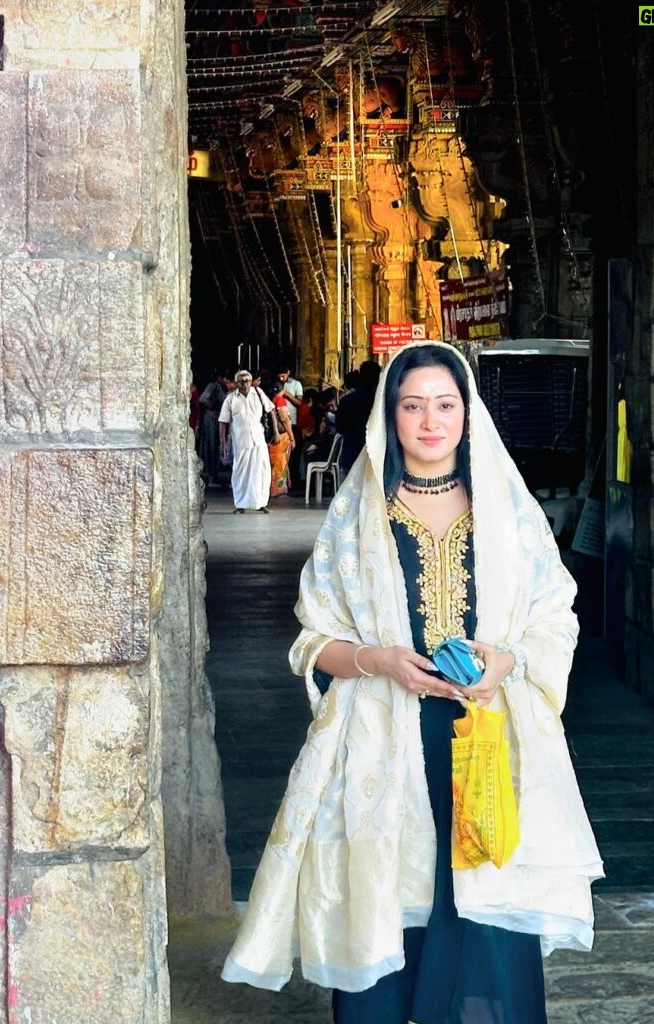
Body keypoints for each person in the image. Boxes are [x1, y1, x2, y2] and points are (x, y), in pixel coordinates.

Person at [222, 341, 603, 1022]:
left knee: (486, 924)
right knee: (385, 913)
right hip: (380, 749)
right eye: (412, 405)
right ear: (389, 417)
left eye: (445, 405)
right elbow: (314, 641)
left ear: (467, 413)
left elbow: (553, 616)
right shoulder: (355, 517)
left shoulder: (507, 515)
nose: (430, 421)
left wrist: (506, 663)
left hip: (489, 741)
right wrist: (379, 661)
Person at [218, 369, 276, 513]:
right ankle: (241, 504)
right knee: (240, 471)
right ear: (236, 383)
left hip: (258, 438)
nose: (244, 384)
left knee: (262, 470)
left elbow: (271, 411)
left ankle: (261, 503)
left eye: (247, 381)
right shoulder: (231, 398)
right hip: (240, 440)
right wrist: (223, 441)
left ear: (251, 382)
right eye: (241, 381)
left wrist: (275, 432)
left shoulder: (259, 394)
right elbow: (223, 421)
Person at [335, 358, 382, 475]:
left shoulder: (347, 400)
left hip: (351, 456)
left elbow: (339, 428)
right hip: (376, 459)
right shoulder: (382, 402)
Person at [268, 380, 296, 497]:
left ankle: (274, 488)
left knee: (276, 462)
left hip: (275, 436)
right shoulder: (280, 400)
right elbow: (285, 419)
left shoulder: (271, 400)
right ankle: (278, 490)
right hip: (282, 435)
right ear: (283, 390)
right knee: (281, 462)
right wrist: (292, 436)